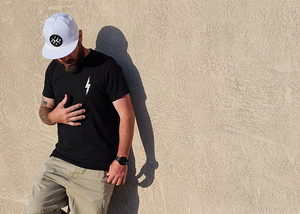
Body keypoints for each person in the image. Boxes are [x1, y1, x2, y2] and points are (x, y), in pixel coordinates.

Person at [28, 13, 135, 214]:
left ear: (80, 36)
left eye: (68, 51)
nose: (64, 59)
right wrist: (53, 117)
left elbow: (127, 114)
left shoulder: (106, 67)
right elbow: (44, 109)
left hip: (95, 170)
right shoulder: (53, 69)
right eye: (58, 54)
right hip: (60, 162)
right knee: (36, 210)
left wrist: (121, 160)